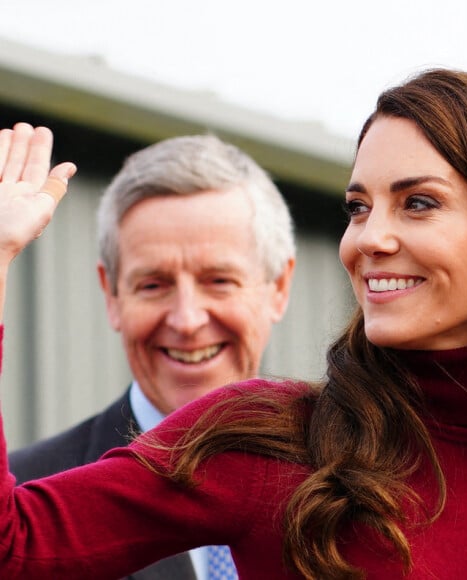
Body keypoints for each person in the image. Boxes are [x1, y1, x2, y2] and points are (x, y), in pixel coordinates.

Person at [0, 68, 467, 579]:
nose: (369, 239)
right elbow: (13, 548)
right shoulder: (269, 440)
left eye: (418, 203)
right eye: (358, 207)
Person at [6, 129, 296, 580]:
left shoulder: (348, 482)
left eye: (218, 280)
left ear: (278, 287)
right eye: (153, 285)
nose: (186, 319)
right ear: (112, 296)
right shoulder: (23, 507)